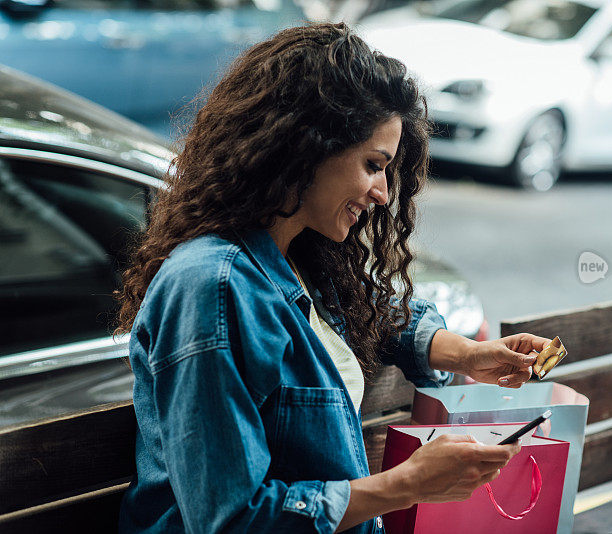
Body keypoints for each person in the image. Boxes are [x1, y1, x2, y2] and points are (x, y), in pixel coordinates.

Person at [115, 22, 550, 534]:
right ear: (306, 146)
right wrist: (406, 484)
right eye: (373, 164)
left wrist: (470, 355)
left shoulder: (296, 253)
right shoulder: (211, 286)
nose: (384, 193)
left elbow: (375, 315)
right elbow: (229, 520)